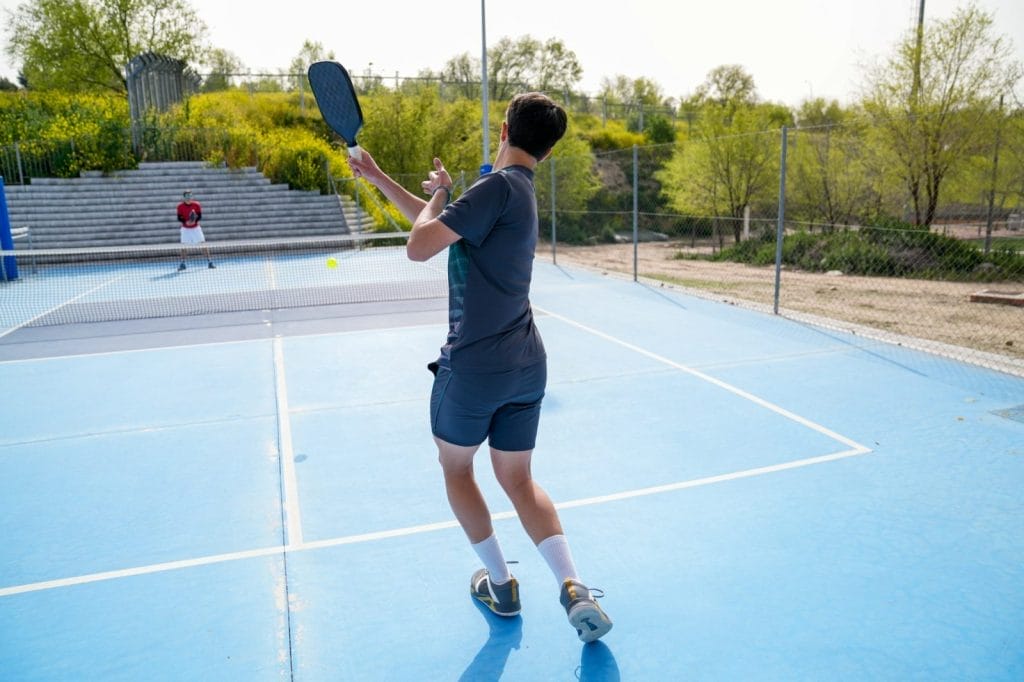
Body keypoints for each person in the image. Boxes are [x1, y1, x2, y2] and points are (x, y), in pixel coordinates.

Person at [348, 92, 612, 643]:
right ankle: (573, 587)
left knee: (457, 469)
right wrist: (380, 177)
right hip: (526, 364)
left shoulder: (494, 187)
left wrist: (442, 192)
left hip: (472, 369)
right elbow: (437, 226)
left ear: (505, 130)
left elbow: (420, 246)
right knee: (518, 479)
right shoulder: (518, 190)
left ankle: (500, 585)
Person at [176, 190, 214, 270]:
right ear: (184, 197)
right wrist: (186, 222)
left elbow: (199, 216)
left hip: (196, 228)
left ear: (192, 196)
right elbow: (179, 218)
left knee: (203, 244)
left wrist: (194, 221)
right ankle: (183, 263)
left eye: (190, 196)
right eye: (187, 196)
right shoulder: (180, 206)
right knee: (184, 246)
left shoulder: (197, 205)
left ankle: (210, 262)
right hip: (185, 229)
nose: (189, 197)